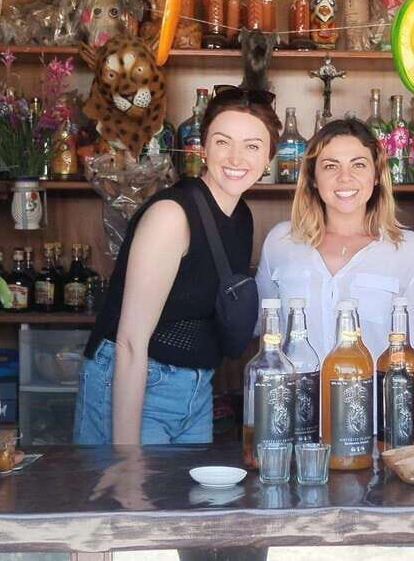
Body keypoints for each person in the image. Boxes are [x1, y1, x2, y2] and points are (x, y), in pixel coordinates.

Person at [73, 87, 280, 445]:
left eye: (252, 146)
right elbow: (130, 342)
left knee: (180, 501)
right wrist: (126, 458)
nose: (236, 157)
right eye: (222, 141)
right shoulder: (172, 215)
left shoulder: (240, 217)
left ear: (268, 159)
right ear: (203, 148)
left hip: (195, 390)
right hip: (136, 383)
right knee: (123, 496)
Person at [256, 118, 414, 375]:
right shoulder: (280, 242)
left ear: (376, 176)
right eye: (330, 166)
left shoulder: (410, 251)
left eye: (359, 165)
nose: (345, 178)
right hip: (294, 409)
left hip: (375, 411)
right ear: (313, 178)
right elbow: (264, 343)